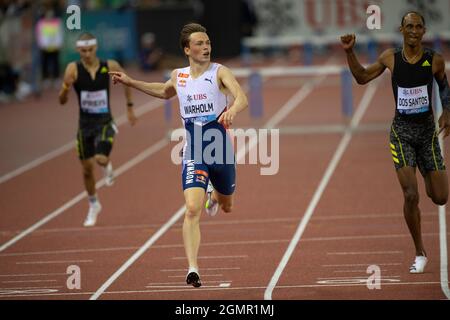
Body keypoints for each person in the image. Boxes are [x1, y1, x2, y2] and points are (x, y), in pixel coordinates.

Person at [109, 23, 248, 287]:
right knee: (191, 209)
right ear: (187, 49)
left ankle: (215, 198)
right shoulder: (179, 76)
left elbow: (241, 97)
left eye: (207, 42)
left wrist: (233, 110)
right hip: (194, 149)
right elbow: (163, 92)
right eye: (199, 43)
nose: (206, 47)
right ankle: (193, 268)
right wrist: (130, 81)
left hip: (220, 149)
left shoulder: (220, 72)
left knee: (227, 206)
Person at [340, 11, 450, 273]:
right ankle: (420, 252)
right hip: (401, 132)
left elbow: (444, 87)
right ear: (401, 29)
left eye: (418, 27)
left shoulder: (434, 60)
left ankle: (426, 169)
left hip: (426, 134)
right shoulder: (390, 57)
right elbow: (362, 77)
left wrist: (447, 110)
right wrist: (349, 52)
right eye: (409, 26)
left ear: (424, 31)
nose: (413, 30)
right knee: (410, 195)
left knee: (440, 197)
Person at [59, 32, 137, 227]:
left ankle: (107, 164)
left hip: (104, 121)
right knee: (87, 170)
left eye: (90, 50)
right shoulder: (73, 69)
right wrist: (65, 88)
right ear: (78, 50)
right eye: (83, 51)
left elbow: (127, 82)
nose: (86, 54)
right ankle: (94, 204)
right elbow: (62, 101)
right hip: (84, 125)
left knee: (100, 158)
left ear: (96, 48)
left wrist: (129, 107)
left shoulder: (109, 66)